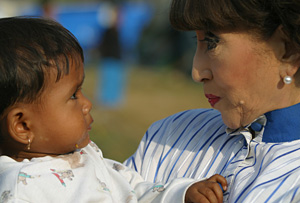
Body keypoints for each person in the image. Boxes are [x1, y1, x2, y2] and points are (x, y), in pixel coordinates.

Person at [0, 16, 227, 203]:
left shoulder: (87, 156)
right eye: (73, 95)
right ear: (22, 126)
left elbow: (136, 191)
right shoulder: (21, 189)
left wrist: (183, 194)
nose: (87, 104)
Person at [125, 0, 300, 202]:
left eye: (211, 42)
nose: (197, 72)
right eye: (196, 41)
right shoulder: (170, 135)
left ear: (287, 51)